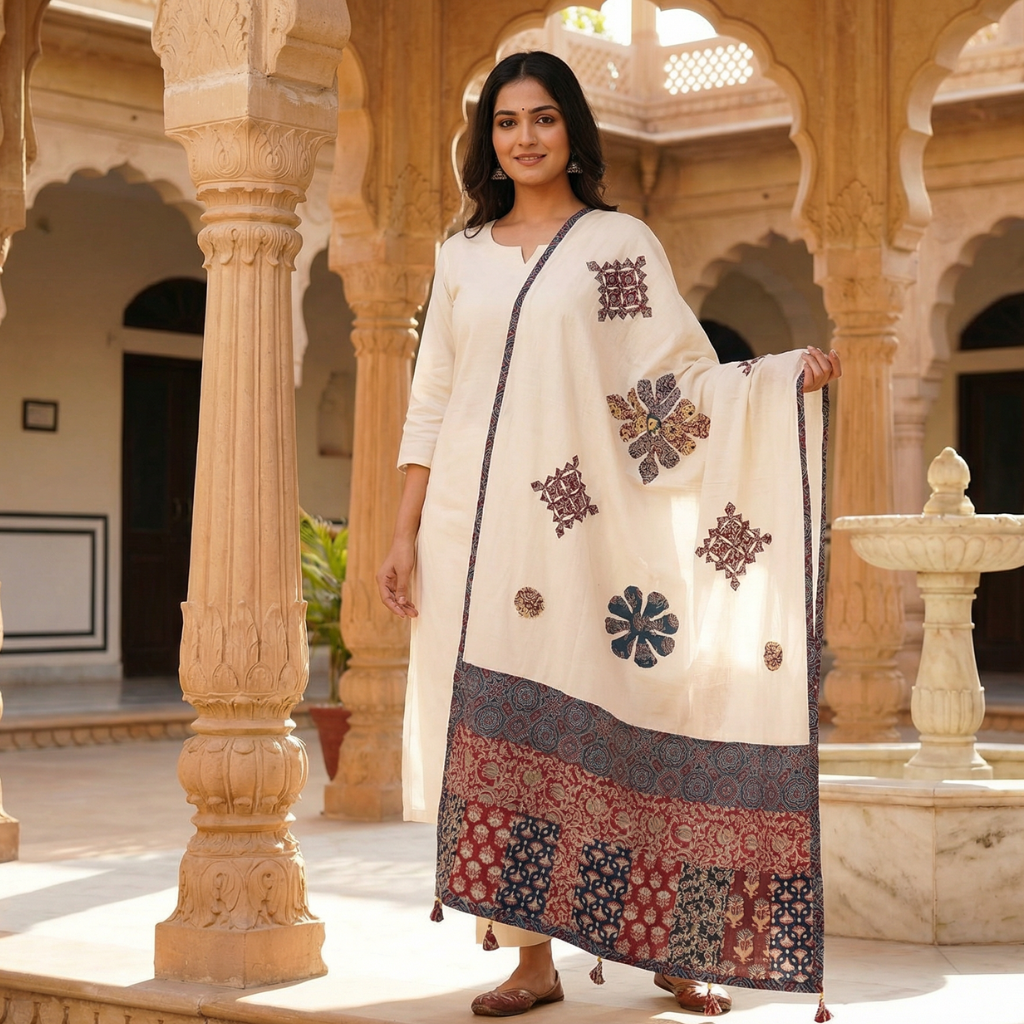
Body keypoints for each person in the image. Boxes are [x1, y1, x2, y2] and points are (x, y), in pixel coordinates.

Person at [378, 50, 840, 1019]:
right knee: (500, 743)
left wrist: (766, 381)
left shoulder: (616, 246)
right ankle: (530, 960)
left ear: (572, 130)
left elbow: (662, 384)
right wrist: (404, 528)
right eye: (506, 123)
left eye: (543, 119)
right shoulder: (458, 256)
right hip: (470, 531)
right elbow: (431, 400)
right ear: (487, 141)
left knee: (635, 719)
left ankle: (677, 948)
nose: (525, 138)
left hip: (578, 529)